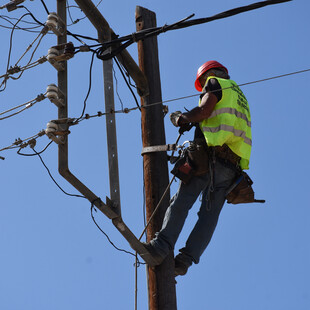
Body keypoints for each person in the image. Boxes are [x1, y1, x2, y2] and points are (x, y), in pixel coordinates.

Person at [143, 60, 252, 276]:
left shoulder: (214, 82)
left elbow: (203, 111)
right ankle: (184, 261)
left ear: (208, 74)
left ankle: (160, 248)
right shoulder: (240, 96)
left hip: (209, 157)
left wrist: (181, 118)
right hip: (232, 168)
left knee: (182, 201)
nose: (202, 87)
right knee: (209, 216)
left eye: (202, 82)